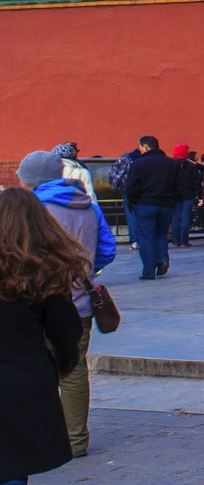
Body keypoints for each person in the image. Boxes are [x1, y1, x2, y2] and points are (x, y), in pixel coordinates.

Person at [18, 147, 117, 460]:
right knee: (74, 369)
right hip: (80, 302)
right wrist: (86, 271)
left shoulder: (33, 207)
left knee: (34, 367)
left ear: (31, 179)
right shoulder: (88, 205)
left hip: (37, 300)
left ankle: (41, 434)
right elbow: (107, 249)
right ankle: (76, 440)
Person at [0, 187, 84, 484]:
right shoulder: (44, 269)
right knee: (11, 464)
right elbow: (66, 330)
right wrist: (62, 361)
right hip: (21, 374)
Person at [125, 134, 177, 279]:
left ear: (146, 147)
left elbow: (132, 187)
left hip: (145, 204)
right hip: (166, 205)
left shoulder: (138, 164)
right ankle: (162, 259)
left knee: (146, 238)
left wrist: (132, 202)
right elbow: (176, 185)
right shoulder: (171, 163)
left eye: (140, 147)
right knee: (161, 234)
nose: (139, 150)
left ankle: (148, 271)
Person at [171, 144, 202, 247]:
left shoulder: (170, 164)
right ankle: (184, 241)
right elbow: (196, 181)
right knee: (185, 218)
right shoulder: (191, 165)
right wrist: (199, 194)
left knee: (175, 218)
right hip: (188, 194)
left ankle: (175, 241)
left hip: (174, 195)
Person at [52, 141, 99, 207]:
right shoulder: (82, 171)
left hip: (54, 209)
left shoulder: (50, 171)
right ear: (73, 155)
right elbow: (90, 196)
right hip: (78, 208)